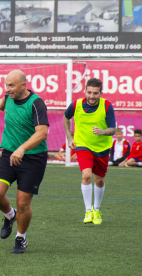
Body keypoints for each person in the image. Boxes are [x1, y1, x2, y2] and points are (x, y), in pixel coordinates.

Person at [0, 70, 49, 254]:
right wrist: (4, 98)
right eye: (6, 85)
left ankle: (20, 238)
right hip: (9, 154)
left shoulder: (36, 103)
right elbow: (1, 106)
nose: (8, 89)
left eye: (12, 85)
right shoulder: (8, 96)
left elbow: (42, 133)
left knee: (23, 203)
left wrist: (22, 148)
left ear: (23, 85)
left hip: (33, 158)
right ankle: (10, 214)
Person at [63, 78, 116, 225]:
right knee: (86, 175)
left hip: (102, 148)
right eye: (89, 92)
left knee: (99, 180)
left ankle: (97, 209)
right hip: (82, 146)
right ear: (85, 91)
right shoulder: (76, 104)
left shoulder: (107, 106)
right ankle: (88, 210)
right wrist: (69, 137)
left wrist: (103, 131)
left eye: (95, 93)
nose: (92, 96)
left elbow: (113, 129)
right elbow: (66, 117)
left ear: (101, 93)